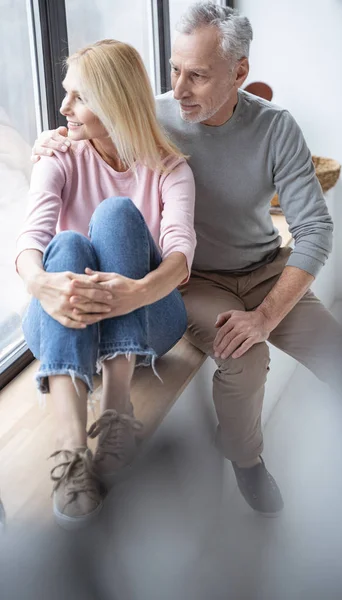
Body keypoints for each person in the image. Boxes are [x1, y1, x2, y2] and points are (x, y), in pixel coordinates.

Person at [32, 3, 341, 517]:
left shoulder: (275, 128)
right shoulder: (149, 114)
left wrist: (266, 316)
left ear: (239, 72)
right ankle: (246, 460)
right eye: (175, 70)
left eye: (197, 76)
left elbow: (314, 230)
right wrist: (50, 140)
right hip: (193, 281)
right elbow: (88, 124)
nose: (179, 89)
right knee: (244, 356)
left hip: (266, 270)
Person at [17, 39, 196, 529]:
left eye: (78, 97)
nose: (63, 108)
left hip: (149, 320)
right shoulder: (57, 154)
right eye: (64, 94)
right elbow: (31, 239)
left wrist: (133, 291)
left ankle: (117, 409)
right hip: (65, 317)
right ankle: (71, 451)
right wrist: (42, 284)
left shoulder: (169, 169)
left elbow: (181, 258)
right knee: (68, 245)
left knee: (117, 214)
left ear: (115, 102)